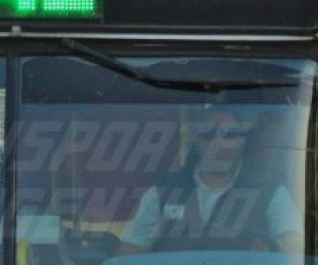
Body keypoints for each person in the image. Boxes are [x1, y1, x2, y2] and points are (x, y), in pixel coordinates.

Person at [120, 106, 302, 253]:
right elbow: (131, 251)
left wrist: (272, 247)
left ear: (245, 141)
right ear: (194, 138)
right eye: (208, 133)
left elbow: (294, 247)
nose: (218, 142)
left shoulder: (270, 190)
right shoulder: (163, 190)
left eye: (230, 134)